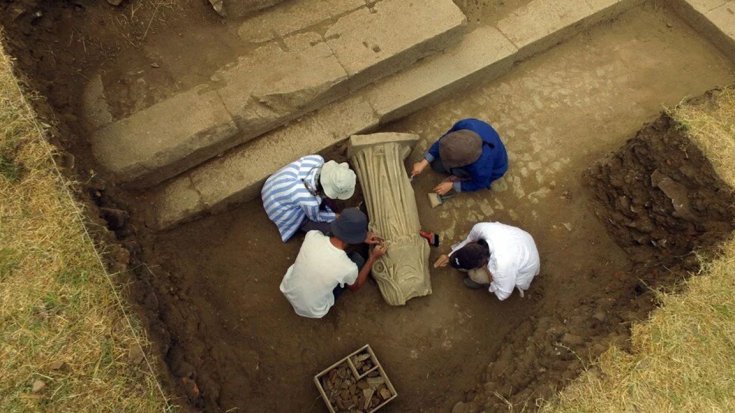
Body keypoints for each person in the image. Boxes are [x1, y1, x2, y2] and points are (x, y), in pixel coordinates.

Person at [280, 208, 386, 318]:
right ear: (355, 238)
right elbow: (356, 287)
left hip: (288, 290)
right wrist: (373, 257)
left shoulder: (312, 235)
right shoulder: (348, 267)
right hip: (314, 310)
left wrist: (359, 237)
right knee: (358, 259)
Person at [434, 222, 539, 301]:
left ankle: (481, 282)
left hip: (524, 269)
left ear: (481, 265)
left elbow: (503, 295)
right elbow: (468, 239)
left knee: (475, 276)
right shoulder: (480, 228)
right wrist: (449, 256)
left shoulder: (501, 267)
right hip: (522, 242)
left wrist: (491, 279)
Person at [262, 155, 357, 242]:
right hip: (278, 211)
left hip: (271, 185)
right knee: (325, 226)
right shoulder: (309, 201)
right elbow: (316, 217)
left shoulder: (317, 160)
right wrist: (336, 216)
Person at [411, 118, 508, 196]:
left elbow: (481, 183)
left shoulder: (481, 167)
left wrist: (453, 185)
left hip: (494, 170)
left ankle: (463, 177)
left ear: (465, 162)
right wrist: (423, 163)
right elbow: (443, 142)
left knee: (439, 166)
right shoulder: (465, 125)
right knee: (435, 165)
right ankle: (458, 175)